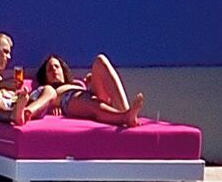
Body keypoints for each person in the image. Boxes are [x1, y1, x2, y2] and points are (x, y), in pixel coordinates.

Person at [18, 52, 148, 128]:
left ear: (63, 71)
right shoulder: (47, 89)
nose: (54, 70)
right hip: (69, 100)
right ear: (45, 76)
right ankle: (124, 117)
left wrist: (92, 82)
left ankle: (125, 110)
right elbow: (42, 101)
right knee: (91, 103)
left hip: (87, 94)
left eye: (57, 67)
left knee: (100, 60)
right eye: (50, 69)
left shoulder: (77, 83)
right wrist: (50, 109)